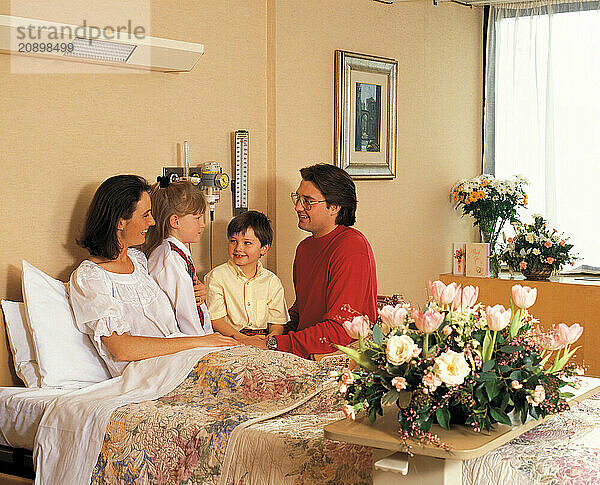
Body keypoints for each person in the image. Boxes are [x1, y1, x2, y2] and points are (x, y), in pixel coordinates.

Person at [69, 175, 237, 377]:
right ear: (120, 222)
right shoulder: (90, 278)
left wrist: (196, 293)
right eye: (146, 215)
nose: (153, 221)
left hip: (183, 357)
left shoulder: (139, 261)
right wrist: (199, 342)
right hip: (149, 374)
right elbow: (123, 349)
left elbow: (174, 301)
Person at [264, 163, 377, 358]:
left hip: (336, 358)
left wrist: (275, 344)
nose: (298, 207)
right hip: (308, 351)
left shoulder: (352, 247)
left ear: (334, 207)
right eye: (298, 198)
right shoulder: (304, 248)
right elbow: (302, 312)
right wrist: (271, 333)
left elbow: (340, 331)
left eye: (308, 201)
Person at [204, 210, 289, 346]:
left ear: (264, 248)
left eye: (247, 243)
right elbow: (215, 320)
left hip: (263, 340)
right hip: (230, 339)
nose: (238, 248)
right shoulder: (217, 277)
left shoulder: (272, 281)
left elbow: (277, 322)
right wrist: (243, 339)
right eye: (233, 241)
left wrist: (272, 338)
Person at [142, 180, 212, 336]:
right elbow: (185, 315)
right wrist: (205, 342)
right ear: (175, 221)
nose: (203, 225)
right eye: (197, 218)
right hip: (186, 340)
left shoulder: (175, 254)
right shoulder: (170, 259)